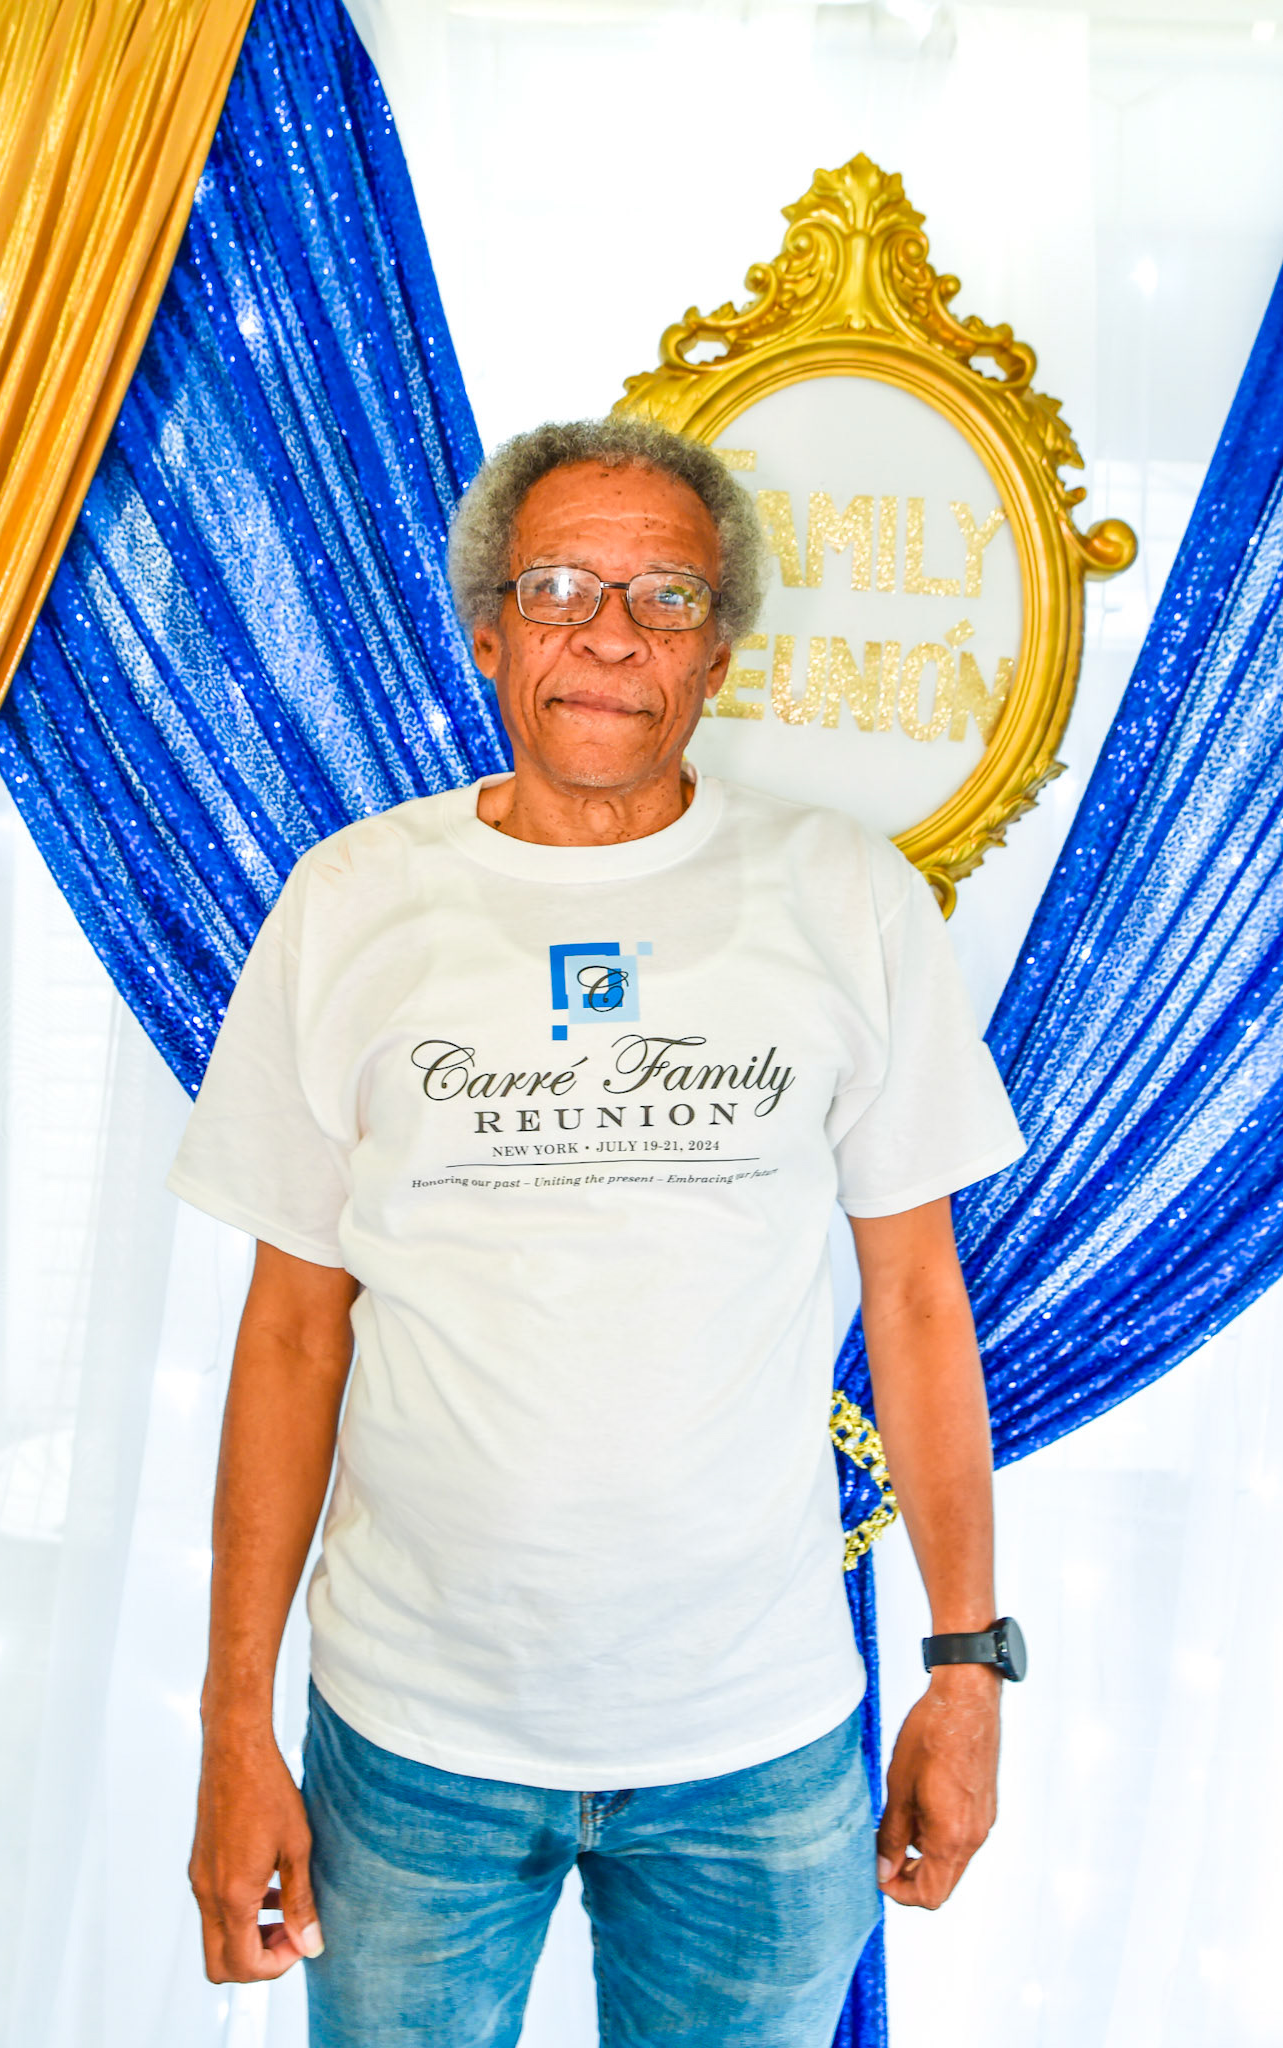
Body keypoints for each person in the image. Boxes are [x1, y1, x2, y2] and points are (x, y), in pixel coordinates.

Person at [169, 415, 1027, 2047]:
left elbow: (918, 1298)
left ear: (719, 654)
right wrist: (231, 1726)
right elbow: (288, 1333)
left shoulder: (842, 897)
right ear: (488, 632)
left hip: (758, 1741)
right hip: (406, 1739)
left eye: (665, 596)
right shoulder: (350, 901)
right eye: (558, 587)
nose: (611, 635)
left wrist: (965, 1663)